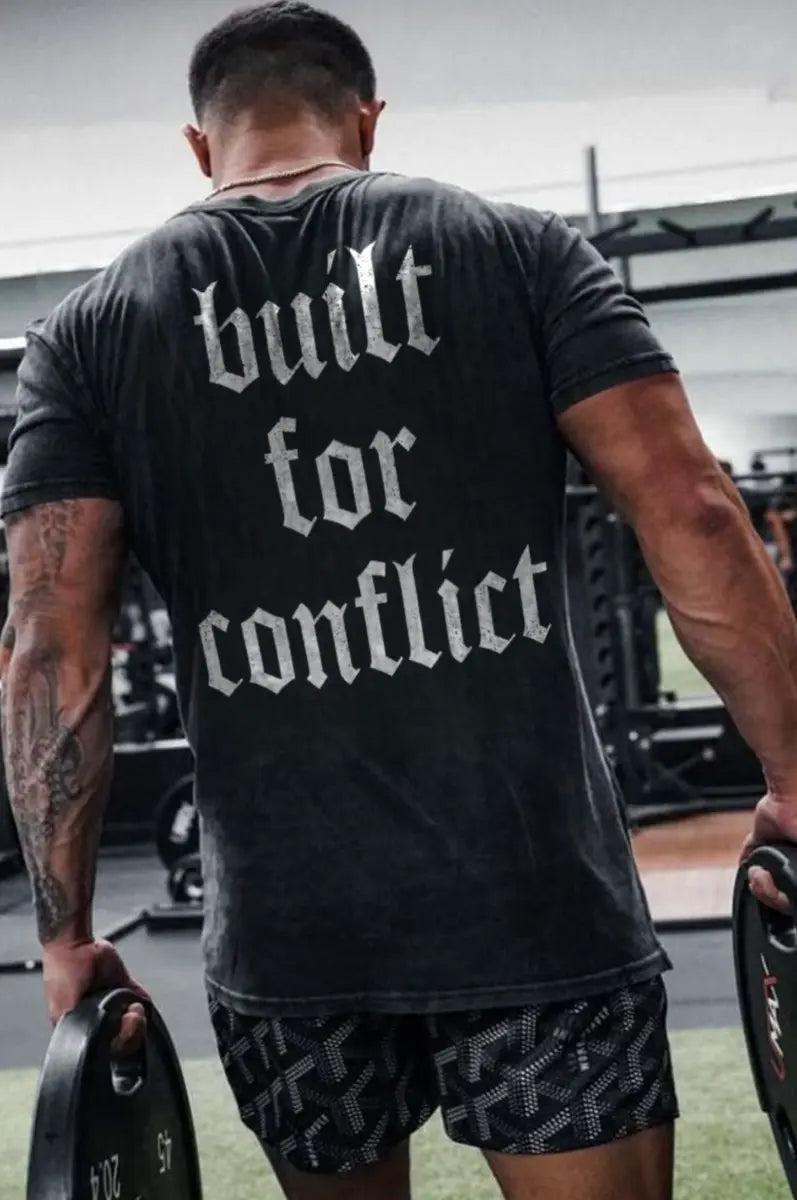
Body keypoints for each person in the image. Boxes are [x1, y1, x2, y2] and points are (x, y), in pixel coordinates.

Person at [2, 5, 797, 1198]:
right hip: (537, 912)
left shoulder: (86, 334)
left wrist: (63, 934)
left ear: (200, 144)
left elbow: (49, 647)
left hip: (286, 941)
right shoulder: (521, 253)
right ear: (366, 122)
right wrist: (790, 775)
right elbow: (692, 512)